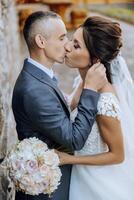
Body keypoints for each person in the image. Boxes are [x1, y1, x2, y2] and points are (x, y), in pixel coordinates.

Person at [12, 11, 107, 200]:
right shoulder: (34, 90)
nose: (67, 44)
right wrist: (90, 89)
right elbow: (73, 140)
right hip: (48, 191)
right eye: (62, 37)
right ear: (41, 41)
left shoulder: (42, 75)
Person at [57, 16, 134, 199]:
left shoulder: (105, 101)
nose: (66, 46)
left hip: (99, 184)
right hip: (80, 176)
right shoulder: (81, 81)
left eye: (76, 45)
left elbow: (117, 155)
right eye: (70, 39)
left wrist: (70, 159)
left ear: (95, 59)